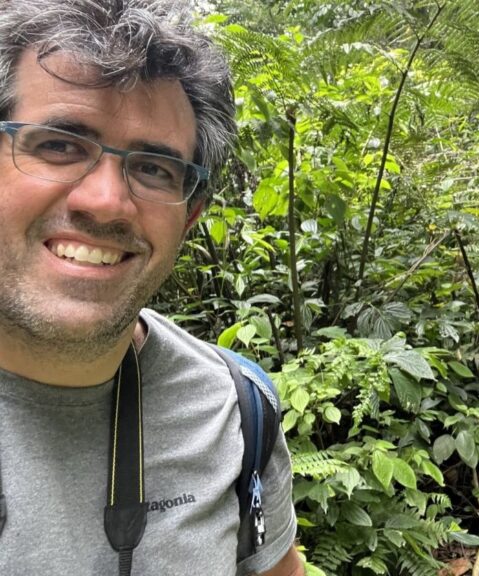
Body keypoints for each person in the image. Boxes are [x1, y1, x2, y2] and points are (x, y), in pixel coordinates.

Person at [0, 1, 302, 574]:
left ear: (189, 219)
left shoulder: (234, 409)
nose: (106, 202)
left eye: (154, 169)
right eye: (60, 144)